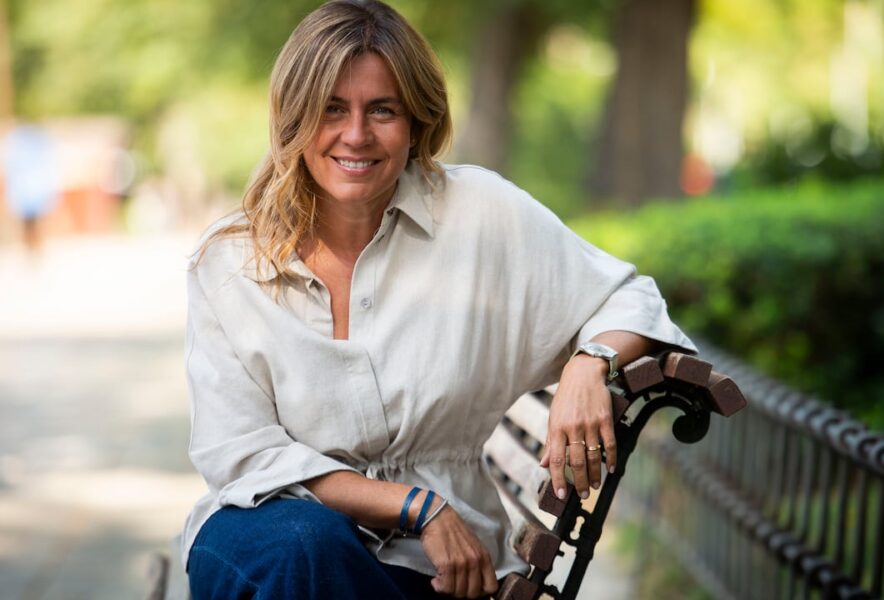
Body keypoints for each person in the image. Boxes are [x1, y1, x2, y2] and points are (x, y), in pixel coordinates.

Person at [182, 1, 695, 598]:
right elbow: (242, 455)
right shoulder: (230, 262)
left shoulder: (478, 215)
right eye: (331, 108)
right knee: (305, 545)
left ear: (416, 121)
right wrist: (416, 506)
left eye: (382, 109)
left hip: (432, 570)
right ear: (293, 116)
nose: (356, 135)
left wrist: (591, 361)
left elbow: (629, 297)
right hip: (269, 543)